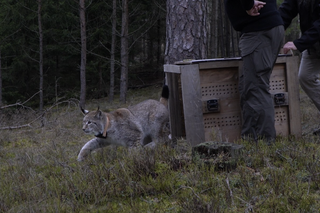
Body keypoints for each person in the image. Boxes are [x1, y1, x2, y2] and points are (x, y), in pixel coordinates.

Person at [224, 0, 284, 143]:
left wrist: (248, 3)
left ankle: (265, 144)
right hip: (265, 27)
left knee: (257, 88)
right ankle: (250, 140)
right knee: (249, 86)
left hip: (258, 30)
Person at [279, 0, 320, 135]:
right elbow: (286, 10)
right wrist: (277, 27)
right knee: (305, 77)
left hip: (311, 40)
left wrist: (299, 43)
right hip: (313, 46)